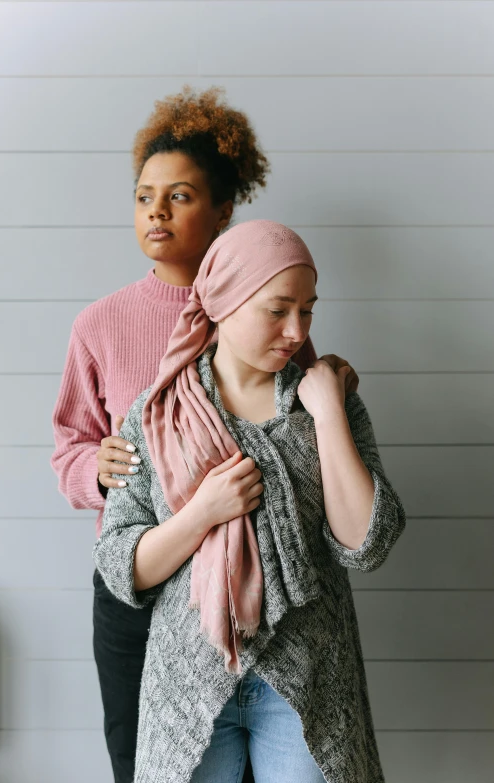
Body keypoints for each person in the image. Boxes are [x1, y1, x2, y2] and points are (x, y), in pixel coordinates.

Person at [51, 88, 359, 783]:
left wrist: (334, 390)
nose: (156, 210)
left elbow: (302, 435)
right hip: (141, 578)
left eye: (179, 195)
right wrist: (92, 468)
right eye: (143, 196)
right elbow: (70, 442)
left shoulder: (267, 313)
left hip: (255, 586)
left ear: (223, 211)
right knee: (146, 761)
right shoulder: (100, 324)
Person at [94, 220, 406, 783]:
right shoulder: (156, 414)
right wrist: (202, 514)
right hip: (191, 681)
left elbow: (367, 544)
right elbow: (122, 566)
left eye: (307, 310)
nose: (295, 329)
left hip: (308, 681)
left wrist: (329, 412)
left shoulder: (328, 401)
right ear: (223, 301)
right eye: (277, 309)